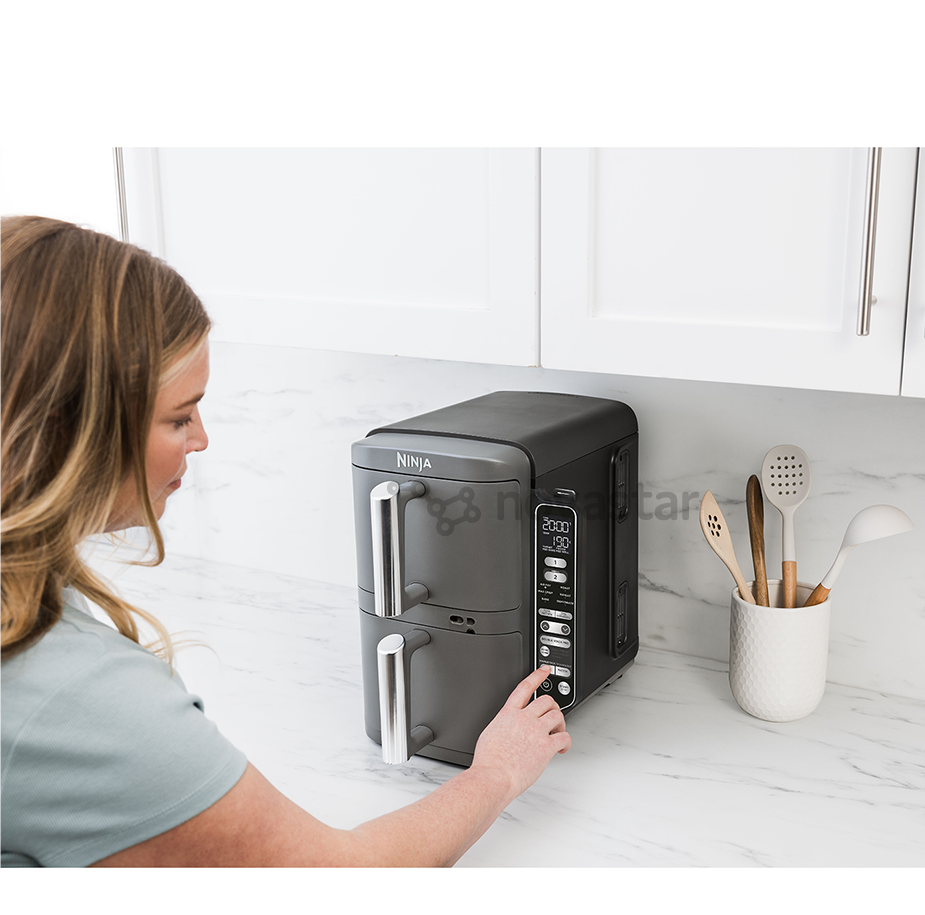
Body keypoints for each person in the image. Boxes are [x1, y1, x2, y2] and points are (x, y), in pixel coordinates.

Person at [0, 215, 570, 867]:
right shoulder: (83, 696)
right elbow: (340, 880)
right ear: (69, 430)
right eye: (179, 417)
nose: (201, 439)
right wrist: (497, 771)